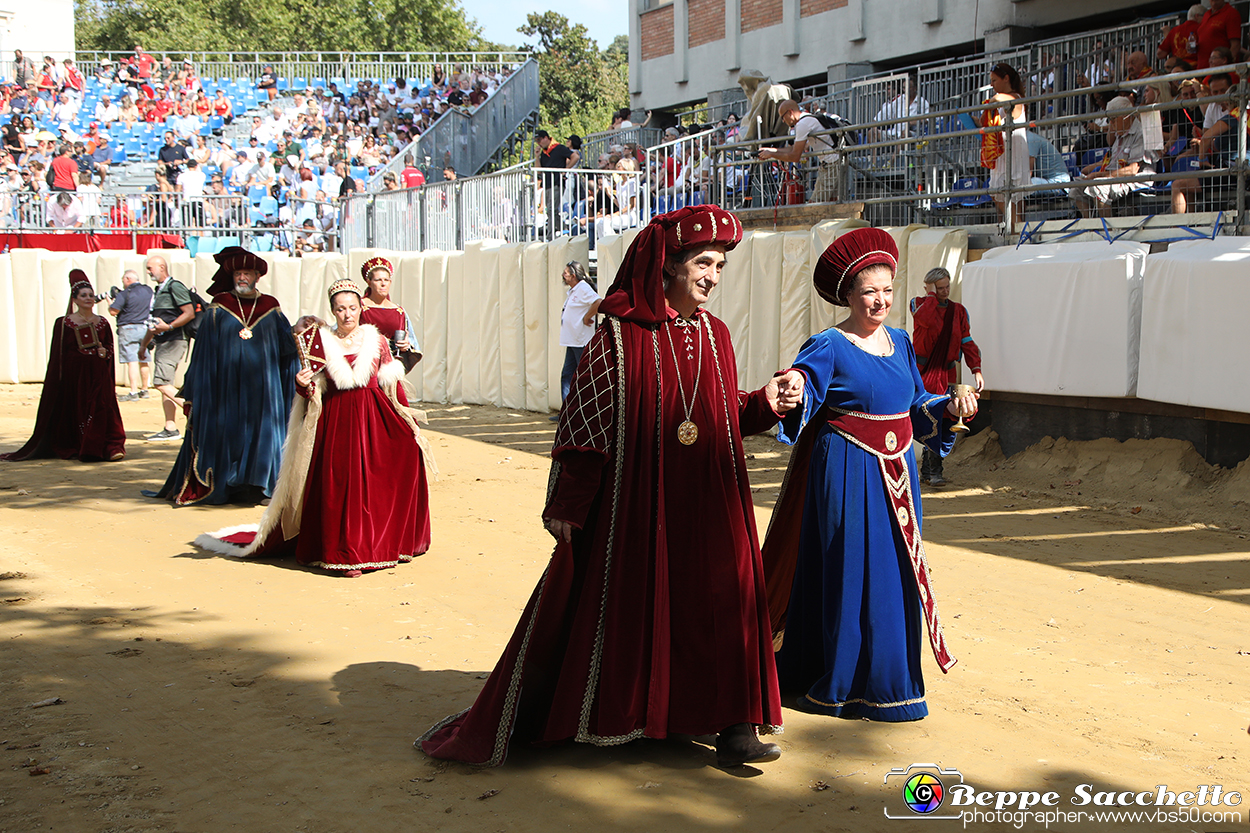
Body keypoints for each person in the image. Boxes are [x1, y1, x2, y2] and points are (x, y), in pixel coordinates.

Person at [419, 206, 803, 768]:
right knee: (642, 605)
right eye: (703, 262)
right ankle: (633, 714)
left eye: (720, 265)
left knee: (723, 603)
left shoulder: (717, 335)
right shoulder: (619, 336)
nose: (713, 275)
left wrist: (764, 405)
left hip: (713, 499)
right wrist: (571, 502)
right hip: (640, 502)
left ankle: (735, 723)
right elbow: (585, 426)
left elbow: (720, 415)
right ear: (669, 265)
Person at [761, 227, 977, 723]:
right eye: (868, 292)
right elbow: (806, 383)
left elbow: (915, 405)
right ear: (849, 295)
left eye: (886, 290)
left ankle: (891, 684)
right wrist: (794, 383)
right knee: (848, 570)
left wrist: (948, 405)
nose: (879, 300)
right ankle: (839, 682)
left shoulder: (901, 342)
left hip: (899, 473)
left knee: (897, 572)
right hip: (845, 469)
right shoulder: (828, 344)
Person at [194, 278, 432, 576]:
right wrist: (302, 385)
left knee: (378, 481)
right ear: (333, 311)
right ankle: (343, 552)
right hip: (336, 425)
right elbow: (313, 391)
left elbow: (392, 387)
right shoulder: (318, 342)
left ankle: (375, 545)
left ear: (361, 308)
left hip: (373, 422)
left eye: (353, 308)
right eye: (341, 309)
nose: (348, 314)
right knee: (341, 488)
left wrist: (407, 422)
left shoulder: (378, 341)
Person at [143, 248, 297, 506]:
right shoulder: (219, 307)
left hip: (262, 391)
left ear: (258, 276)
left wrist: (301, 332)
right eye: (238, 272)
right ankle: (226, 486)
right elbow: (203, 354)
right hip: (226, 390)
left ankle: (259, 489)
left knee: (262, 435)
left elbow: (286, 349)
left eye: (248, 273)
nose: (243, 278)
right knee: (229, 434)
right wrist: (199, 389)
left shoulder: (271, 307)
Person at [1, 270, 125, 462]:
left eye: (91, 295)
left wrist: (104, 353)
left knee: (100, 407)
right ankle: (80, 445)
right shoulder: (64, 323)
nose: (88, 299)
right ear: (74, 299)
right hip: (74, 376)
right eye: (83, 295)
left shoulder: (102, 323)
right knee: (78, 409)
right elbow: (59, 354)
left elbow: (109, 348)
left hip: (98, 374)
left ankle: (106, 446)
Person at [908, 267, 984, 486]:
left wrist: (976, 369)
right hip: (922, 373)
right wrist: (930, 295)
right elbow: (927, 320)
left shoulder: (959, 311)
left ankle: (933, 472)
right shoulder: (919, 304)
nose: (944, 291)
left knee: (943, 417)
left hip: (947, 373)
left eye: (946, 287)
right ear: (929, 287)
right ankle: (929, 471)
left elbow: (966, 342)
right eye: (939, 288)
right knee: (925, 416)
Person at [1069, 96, 1156, 217]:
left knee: (1097, 187)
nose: (1111, 123)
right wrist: (1113, 125)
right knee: (1076, 189)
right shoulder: (1119, 133)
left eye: (1114, 119)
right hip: (1112, 177)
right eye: (1109, 120)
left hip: (1133, 180)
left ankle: (1107, 229)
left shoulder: (1140, 134)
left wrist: (1098, 175)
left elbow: (1132, 170)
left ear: (1126, 116)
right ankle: (1092, 226)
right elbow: (1109, 141)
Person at [141, 254, 193, 441]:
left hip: (174, 340)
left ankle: (193, 412)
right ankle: (170, 427)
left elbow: (189, 313)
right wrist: (144, 344)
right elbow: (155, 323)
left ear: (162, 267)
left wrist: (169, 327)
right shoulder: (160, 290)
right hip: (164, 342)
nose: (148, 272)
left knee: (160, 383)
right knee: (166, 383)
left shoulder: (174, 286)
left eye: (150, 268)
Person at [758, 99, 843, 203]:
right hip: (834, 162)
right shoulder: (806, 120)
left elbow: (795, 156)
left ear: (790, 112)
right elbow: (795, 148)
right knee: (832, 203)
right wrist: (772, 150)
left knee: (815, 204)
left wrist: (771, 154)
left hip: (831, 164)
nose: (783, 121)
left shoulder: (802, 124)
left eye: (783, 117)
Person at [551, 261, 600, 421]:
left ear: (573, 275)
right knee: (567, 375)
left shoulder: (583, 288)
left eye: (566, 273)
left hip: (580, 340)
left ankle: (586, 412)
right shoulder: (573, 291)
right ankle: (567, 413)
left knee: (583, 377)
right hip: (572, 340)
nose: (563, 276)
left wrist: (587, 317)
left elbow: (598, 302)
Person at [983, 63, 1029, 224]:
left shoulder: (1016, 98)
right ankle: (1012, 234)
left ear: (1006, 78)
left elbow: (1008, 101)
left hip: (1012, 155)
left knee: (1010, 200)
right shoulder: (1000, 101)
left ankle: (1017, 236)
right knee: (1003, 200)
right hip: (1001, 156)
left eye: (994, 80)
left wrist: (996, 99)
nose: (992, 84)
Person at [358, 257, 422, 373]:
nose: (383, 284)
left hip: (390, 368)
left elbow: (411, 343)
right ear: (369, 282)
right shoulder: (359, 307)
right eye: (378, 280)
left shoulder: (399, 311)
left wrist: (406, 346)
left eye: (386, 280)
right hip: (364, 366)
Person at [108, 269, 154, 401]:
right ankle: (144, 389)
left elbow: (113, 311)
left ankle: (133, 392)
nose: (123, 283)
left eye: (123, 280)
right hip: (145, 328)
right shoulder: (148, 290)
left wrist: (110, 303)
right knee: (144, 358)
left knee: (132, 360)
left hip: (128, 328)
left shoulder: (125, 293)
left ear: (128, 279)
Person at [535, 129, 578, 239]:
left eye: (539, 140)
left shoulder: (559, 148)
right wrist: (537, 156)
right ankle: (564, 229)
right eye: (537, 141)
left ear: (546, 138)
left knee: (551, 209)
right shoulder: (544, 153)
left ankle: (550, 236)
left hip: (557, 183)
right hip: (548, 183)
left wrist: (566, 169)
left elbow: (575, 156)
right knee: (551, 210)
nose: (539, 143)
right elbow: (539, 170)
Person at [1196, 0, 1242, 69]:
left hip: (1219, 70)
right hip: (1202, 68)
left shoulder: (1231, 13)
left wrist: (1227, 66)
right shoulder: (1206, 14)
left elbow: (1235, 45)